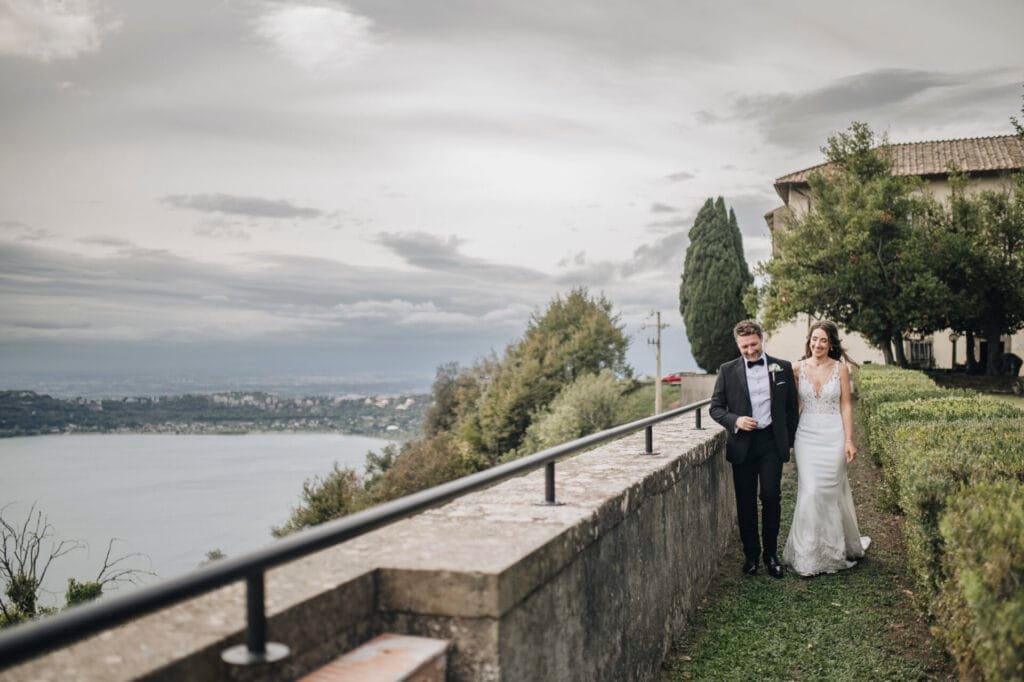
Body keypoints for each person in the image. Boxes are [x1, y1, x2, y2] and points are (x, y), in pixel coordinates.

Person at [710, 320, 799, 579]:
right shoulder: (727, 371)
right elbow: (715, 408)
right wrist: (735, 420)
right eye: (744, 347)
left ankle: (771, 555)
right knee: (745, 502)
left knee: (771, 497)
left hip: (771, 442)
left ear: (762, 339)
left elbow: (791, 410)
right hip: (742, 445)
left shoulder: (781, 368)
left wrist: (788, 442)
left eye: (754, 345)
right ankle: (751, 556)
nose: (750, 351)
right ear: (738, 345)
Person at [782, 320, 870, 576]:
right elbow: (794, 405)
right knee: (810, 491)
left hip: (833, 435)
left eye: (823, 340)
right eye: (814, 339)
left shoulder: (840, 369)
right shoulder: (797, 368)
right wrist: (786, 436)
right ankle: (808, 552)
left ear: (830, 344)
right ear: (808, 342)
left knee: (829, 493)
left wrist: (849, 440)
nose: (817, 344)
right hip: (806, 435)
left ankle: (833, 551)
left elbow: (845, 405)